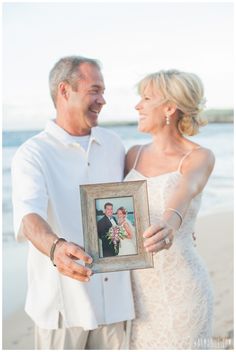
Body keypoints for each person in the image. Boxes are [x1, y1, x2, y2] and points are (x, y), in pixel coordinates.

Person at [11, 56, 135, 350]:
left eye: (103, 91)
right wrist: (56, 248)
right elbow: (29, 216)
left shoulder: (114, 144)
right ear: (65, 91)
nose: (103, 100)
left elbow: (131, 207)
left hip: (116, 304)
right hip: (63, 308)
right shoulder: (33, 154)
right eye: (95, 90)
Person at [124, 69, 215, 349]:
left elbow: (186, 189)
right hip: (138, 294)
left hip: (182, 286)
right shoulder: (132, 154)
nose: (137, 106)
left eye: (146, 98)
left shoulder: (198, 156)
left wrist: (170, 223)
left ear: (169, 107)